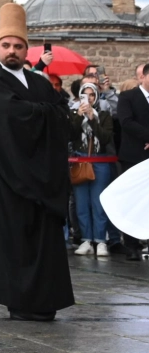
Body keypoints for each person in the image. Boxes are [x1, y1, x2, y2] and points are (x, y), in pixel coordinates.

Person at [0, 3, 74, 321]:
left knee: (45, 243)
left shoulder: (40, 82)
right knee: (15, 241)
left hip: (42, 178)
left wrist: (44, 112)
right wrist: (45, 112)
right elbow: (14, 117)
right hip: (9, 178)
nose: (12, 51)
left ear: (26, 49)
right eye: (6, 45)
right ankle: (19, 302)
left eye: (18, 46)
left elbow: (63, 116)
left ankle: (45, 302)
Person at [104, 64, 149, 258]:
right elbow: (127, 122)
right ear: (143, 77)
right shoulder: (128, 97)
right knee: (133, 200)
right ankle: (131, 244)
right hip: (134, 155)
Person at [70, 82, 115, 258]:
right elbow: (70, 134)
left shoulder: (104, 115)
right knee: (81, 202)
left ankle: (101, 240)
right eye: (84, 95)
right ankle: (86, 239)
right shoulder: (74, 113)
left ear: (96, 96)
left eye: (91, 95)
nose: (88, 98)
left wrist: (92, 119)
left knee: (98, 202)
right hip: (80, 160)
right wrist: (79, 117)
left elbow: (105, 138)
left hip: (100, 160)